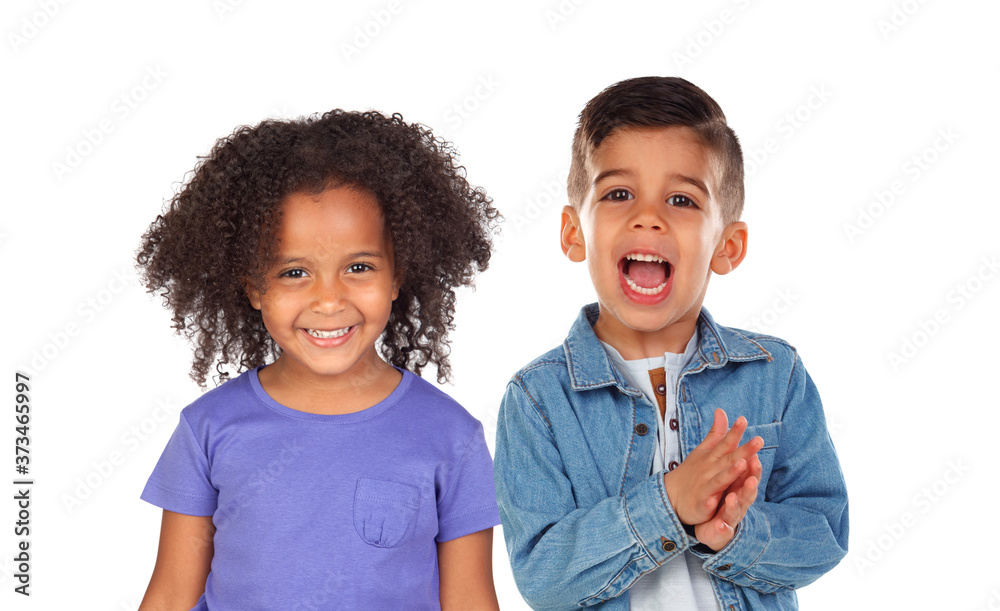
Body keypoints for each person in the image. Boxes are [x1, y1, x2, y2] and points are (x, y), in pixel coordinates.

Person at [493, 77, 848, 611]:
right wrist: (669, 504)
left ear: (726, 246)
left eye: (681, 199)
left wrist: (732, 531)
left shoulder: (776, 374)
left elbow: (824, 533)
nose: (648, 216)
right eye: (618, 194)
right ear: (574, 234)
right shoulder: (538, 400)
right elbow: (544, 578)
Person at [135, 109, 502, 610]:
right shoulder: (208, 429)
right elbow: (172, 594)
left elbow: (471, 601)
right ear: (252, 286)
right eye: (293, 272)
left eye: (358, 266)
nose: (329, 300)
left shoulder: (451, 436)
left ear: (398, 275)